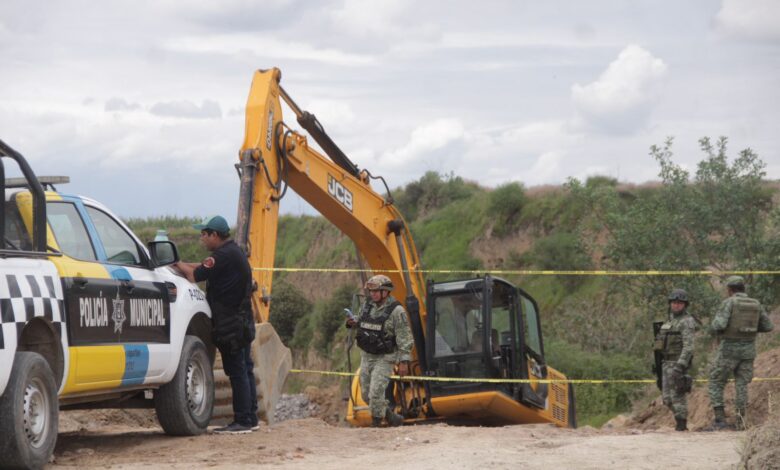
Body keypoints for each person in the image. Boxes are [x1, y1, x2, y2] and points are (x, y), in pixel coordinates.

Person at [174, 215, 258, 434]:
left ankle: (242, 421)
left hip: (230, 324)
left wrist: (178, 265)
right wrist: (182, 265)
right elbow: (203, 267)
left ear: (214, 235)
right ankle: (251, 417)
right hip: (242, 321)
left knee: (237, 371)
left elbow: (194, 275)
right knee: (245, 368)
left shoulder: (221, 255)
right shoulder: (232, 252)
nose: (202, 239)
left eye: (204, 234)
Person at [346, 274, 413, 427]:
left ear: (386, 292)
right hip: (367, 355)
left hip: (385, 357)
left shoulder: (397, 311)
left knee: (376, 392)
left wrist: (404, 361)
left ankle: (377, 423)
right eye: (371, 291)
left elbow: (405, 337)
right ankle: (391, 417)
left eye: (376, 291)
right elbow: (363, 321)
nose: (373, 294)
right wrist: (352, 322)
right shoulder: (367, 305)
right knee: (366, 394)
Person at [707, 276, 774, 430]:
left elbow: (719, 324)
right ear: (743, 288)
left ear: (729, 289)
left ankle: (720, 420)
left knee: (716, 381)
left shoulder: (729, 302)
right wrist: (751, 329)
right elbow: (768, 326)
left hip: (728, 350)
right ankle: (741, 422)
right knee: (742, 385)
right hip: (748, 351)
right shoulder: (756, 304)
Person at [654, 288, 696, 431]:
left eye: (679, 303)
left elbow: (689, 346)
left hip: (677, 363)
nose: (676, 305)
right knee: (667, 399)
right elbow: (659, 344)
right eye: (674, 302)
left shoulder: (686, 321)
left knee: (678, 397)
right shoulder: (670, 322)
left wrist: (681, 365)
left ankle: (681, 425)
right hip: (666, 363)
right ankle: (680, 421)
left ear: (685, 305)